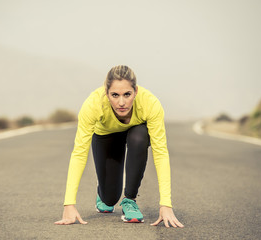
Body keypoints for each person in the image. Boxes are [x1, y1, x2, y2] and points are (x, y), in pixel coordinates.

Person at [55, 65, 184, 228]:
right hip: (106, 136)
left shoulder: (150, 103)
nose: (121, 102)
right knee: (109, 200)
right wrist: (69, 204)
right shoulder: (94, 104)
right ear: (106, 93)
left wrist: (166, 205)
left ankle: (130, 200)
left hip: (135, 134)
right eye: (115, 95)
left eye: (127, 94)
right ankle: (103, 193)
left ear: (135, 92)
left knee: (139, 136)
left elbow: (161, 153)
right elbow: (79, 153)